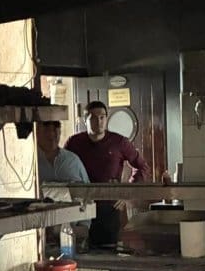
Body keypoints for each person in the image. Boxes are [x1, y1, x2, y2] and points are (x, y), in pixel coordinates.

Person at [66, 100, 150, 247]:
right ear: (85, 120)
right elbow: (63, 168)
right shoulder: (74, 142)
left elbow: (142, 167)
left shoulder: (119, 142)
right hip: (80, 208)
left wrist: (126, 192)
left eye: (102, 117)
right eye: (93, 118)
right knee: (78, 250)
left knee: (108, 251)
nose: (98, 122)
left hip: (110, 208)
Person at [36, 119, 90, 184]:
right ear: (36, 131)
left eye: (55, 127)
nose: (51, 134)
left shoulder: (72, 160)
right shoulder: (30, 163)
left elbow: (88, 188)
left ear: (60, 131)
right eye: (46, 128)